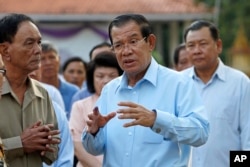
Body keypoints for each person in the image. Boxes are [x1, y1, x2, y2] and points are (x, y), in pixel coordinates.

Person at [82, 14, 209, 167]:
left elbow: (200, 133)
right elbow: (95, 150)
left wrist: (156, 120)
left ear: (150, 42)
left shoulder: (179, 83)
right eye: (118, 45)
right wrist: (95, 132)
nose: (126, 51)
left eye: (133, 42)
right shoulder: (109, 90)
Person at [182, 20, 250, 167]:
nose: (197, 50)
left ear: (218, 46)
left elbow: (248, 137)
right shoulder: (178, 83)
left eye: (203, 44)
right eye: (191, 45)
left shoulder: (240, 84)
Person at [0, 13, 60, 167]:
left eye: (39, 42)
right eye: (29, 43)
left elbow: (53, 152)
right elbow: (25, 144)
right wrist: (20, 144)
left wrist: (45, 144)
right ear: (5, 51)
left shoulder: (42, 93)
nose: (38, 50)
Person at [69, 51, 123, 167]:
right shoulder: (80, 106)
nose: (106, 80)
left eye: (112, 75)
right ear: (91, 79)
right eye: (100, 76)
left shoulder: (127, 104)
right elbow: (78, 148)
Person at [40, 41, 79, 119]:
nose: (48, 63)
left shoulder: (74, 92)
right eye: (42, 59)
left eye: (52, 57)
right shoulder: (32, 91)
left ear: (59, 60)